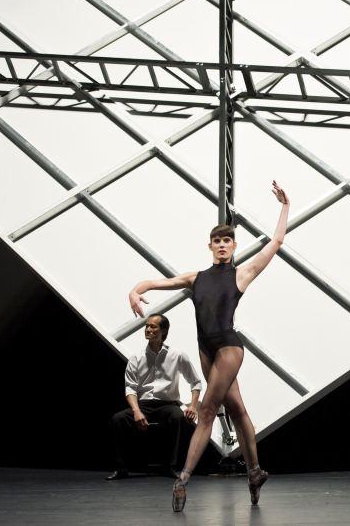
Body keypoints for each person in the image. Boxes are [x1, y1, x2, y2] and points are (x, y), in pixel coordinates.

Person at [128, 180, 290, 511]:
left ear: (233, 246)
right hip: (206, 349)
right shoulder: (196, 278)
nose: (222, 245)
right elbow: (156, 282)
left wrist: (285, 206)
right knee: (237, 409)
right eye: (217, 241)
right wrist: (135, 290)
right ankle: (255, 472)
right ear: (210, 246)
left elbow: (275, 242)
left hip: (229, 347)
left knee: (206, 411)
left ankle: (182, 479)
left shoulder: (241, 274)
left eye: (227, 241)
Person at [107, 313, 202, 480]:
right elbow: (130, 388)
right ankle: (121, 468)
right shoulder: (136, 358)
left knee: (179, 417)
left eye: (153, 326)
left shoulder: (177, 355)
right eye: (147, 326)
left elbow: (195, 382)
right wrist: (136, 411)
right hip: (143, 405)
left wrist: (193, 406)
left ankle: (171, 466)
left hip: (168, 404)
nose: (148, 329)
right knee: (118, 419)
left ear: (163, 330)